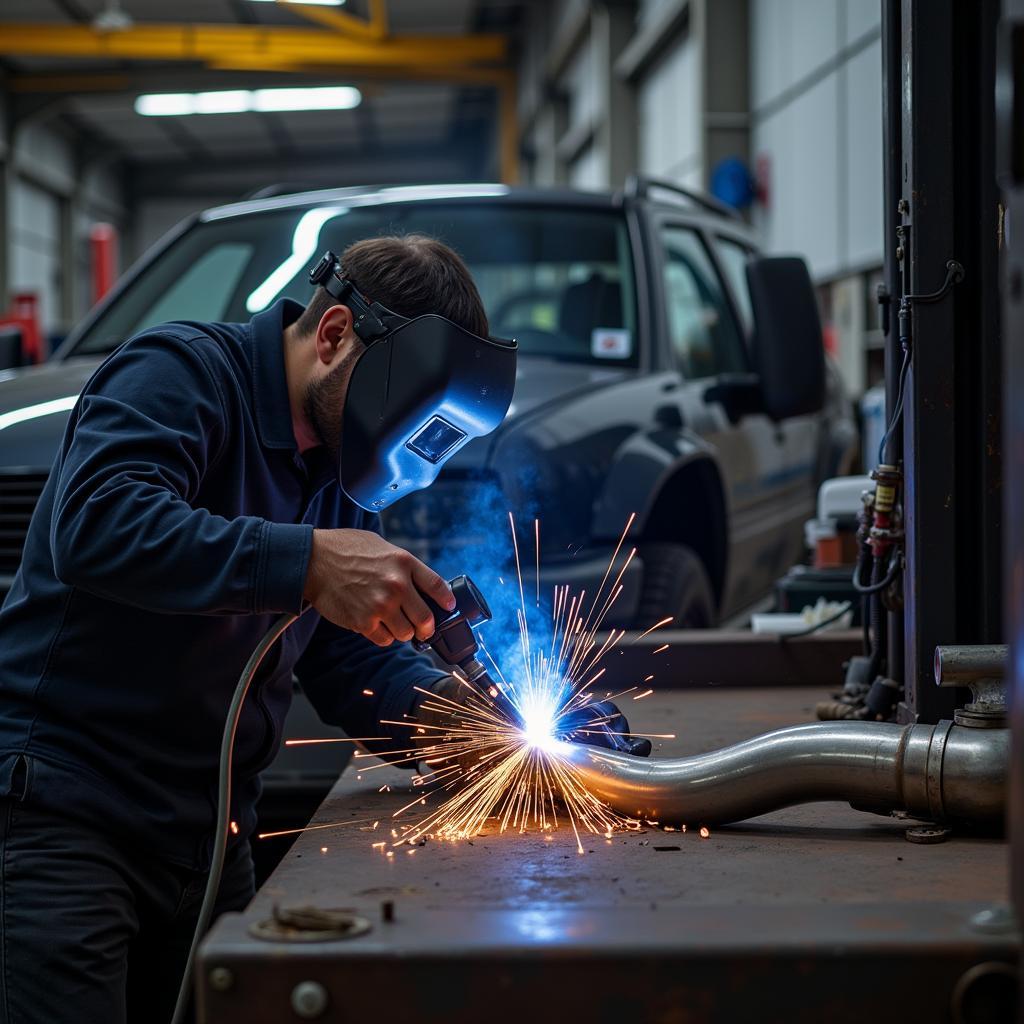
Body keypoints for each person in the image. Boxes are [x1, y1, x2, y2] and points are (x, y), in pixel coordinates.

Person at [0, 234, 493, 1023]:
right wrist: (309, 564)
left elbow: (339, 655)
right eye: (404, 421)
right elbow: (96, 524)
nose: (409, 463)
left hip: (212, 831)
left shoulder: (339, 473)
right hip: (68, 820)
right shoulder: (178, 373)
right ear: (333, 335)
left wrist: (466, 730)